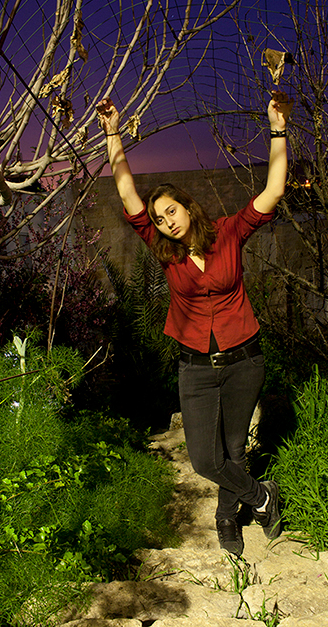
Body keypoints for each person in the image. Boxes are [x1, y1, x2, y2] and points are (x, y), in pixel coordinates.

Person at [97, 91, 293, 556]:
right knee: (207, 459)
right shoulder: (163, 250)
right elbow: (126, 191)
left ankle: (228, 517)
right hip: (196, 367)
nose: (165, 221)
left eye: (171, 211)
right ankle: (263, 496)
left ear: (187, 207)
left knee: (234, 449)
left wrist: (278, 128)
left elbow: (274, 190)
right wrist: (112, 135)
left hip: (245, 359)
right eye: (159, 218)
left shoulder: (229, 232)